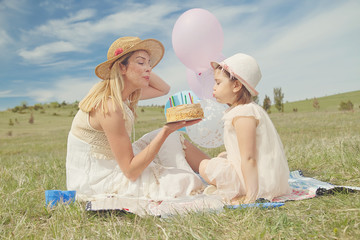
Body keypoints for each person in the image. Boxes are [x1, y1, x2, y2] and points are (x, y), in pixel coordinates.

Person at [66, 36, 208, 201]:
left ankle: (215, 170)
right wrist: (166, 130)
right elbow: (130, 171)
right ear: (122, 67)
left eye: (149, 63)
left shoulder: (127, 94)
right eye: (141, 63)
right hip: (96, 180)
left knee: (173, 138)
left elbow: (164, 89)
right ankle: (204, 176)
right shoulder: (109, 107)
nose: (148, 68)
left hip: (115, 163)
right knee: (186, 181)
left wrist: (142, 67)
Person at [199, 53, 291, 204]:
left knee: (204, 166)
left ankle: (244, 189)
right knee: (222, 155)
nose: (214, 88)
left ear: (236, 86)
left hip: (258, 183)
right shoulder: (246, 110)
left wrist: (251, 195)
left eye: (218, 83)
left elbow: (249, 158)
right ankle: (243, 185)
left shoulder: (243, 114)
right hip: (263, 178)